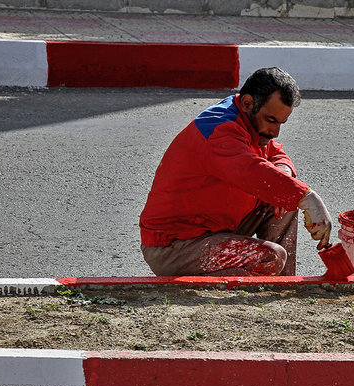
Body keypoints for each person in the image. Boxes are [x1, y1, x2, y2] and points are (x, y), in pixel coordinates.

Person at [139, 67, 332, 277]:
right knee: (271, 256)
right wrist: (307, 197)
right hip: (175, 246)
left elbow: (276, 154)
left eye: (281, 123)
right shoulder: (220, 129)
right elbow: (251, 170)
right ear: (249, 103)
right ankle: (241, 293)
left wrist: (285, 178)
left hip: (215, 230)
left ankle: (282, 286)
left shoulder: (245, 115)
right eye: (271, 121)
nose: (275, 132)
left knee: (284, 197)